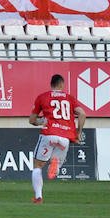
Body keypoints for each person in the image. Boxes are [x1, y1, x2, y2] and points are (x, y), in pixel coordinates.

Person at [28, 73, 87, 204]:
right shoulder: (70, 98)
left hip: (49, 134)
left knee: (38, 165)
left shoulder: (42, 97)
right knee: (56, 159)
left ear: (51, 85)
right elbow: (82, 114)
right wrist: (78, 132)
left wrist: (41, 121)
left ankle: (38, 197)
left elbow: (31, 120)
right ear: (62, 85)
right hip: (65, 138)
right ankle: (56, 162)